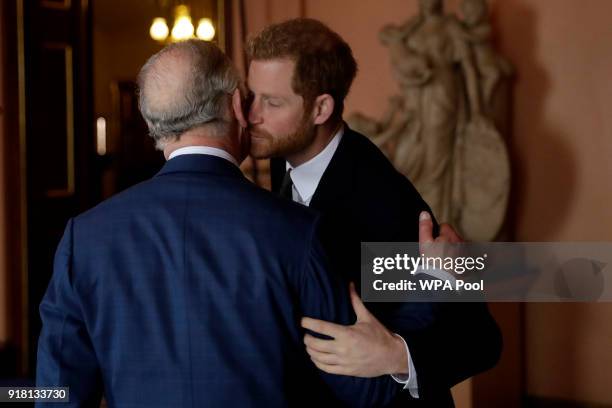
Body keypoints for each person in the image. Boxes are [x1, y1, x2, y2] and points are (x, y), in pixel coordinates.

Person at [35, 40, 400, 407]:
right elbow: (368, 393)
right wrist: (435, 291)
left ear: (153, 125)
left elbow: (53, 396)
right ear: (236, 106)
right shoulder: (297, 230)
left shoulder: (83, 238)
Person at [244, 18, 502, 406]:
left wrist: (397, 355)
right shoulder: (286, 156)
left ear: (321, 108)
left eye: (272, 102)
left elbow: (479, 338)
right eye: (252, 96)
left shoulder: (378, 202)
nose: (252, 115)